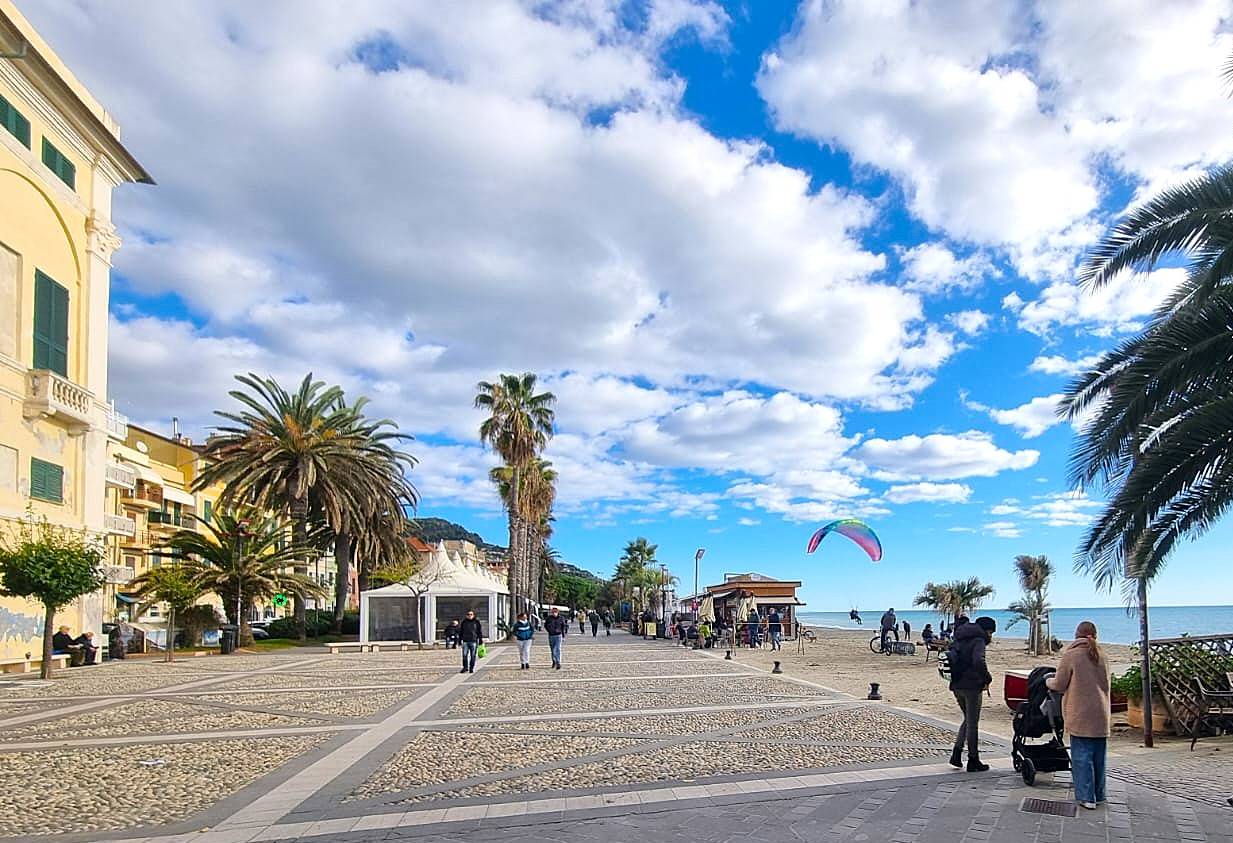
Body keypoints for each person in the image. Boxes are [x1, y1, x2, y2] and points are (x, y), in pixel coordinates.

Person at [1046, 621, 1111, 810]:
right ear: (1095, 635)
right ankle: (1099, 794)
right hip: (1101, 712)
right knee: (1099, 756)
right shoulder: (1103, 655)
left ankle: (1086, 796)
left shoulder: (1072, 655)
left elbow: (1059, 684)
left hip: (1081, 712)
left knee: (1082, 756)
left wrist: (1048, 681)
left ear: (1077, 634)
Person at [948, 616, 996, 772]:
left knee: (968, 719)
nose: (991, 636)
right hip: (972, 686)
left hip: (956, 684)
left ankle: (956, 754)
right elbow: (978, 661)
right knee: (973, 723)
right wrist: (987, 678)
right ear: (987, 630)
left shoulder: (959, 637)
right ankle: (973, 760)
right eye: (991, 632)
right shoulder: (979, 641)